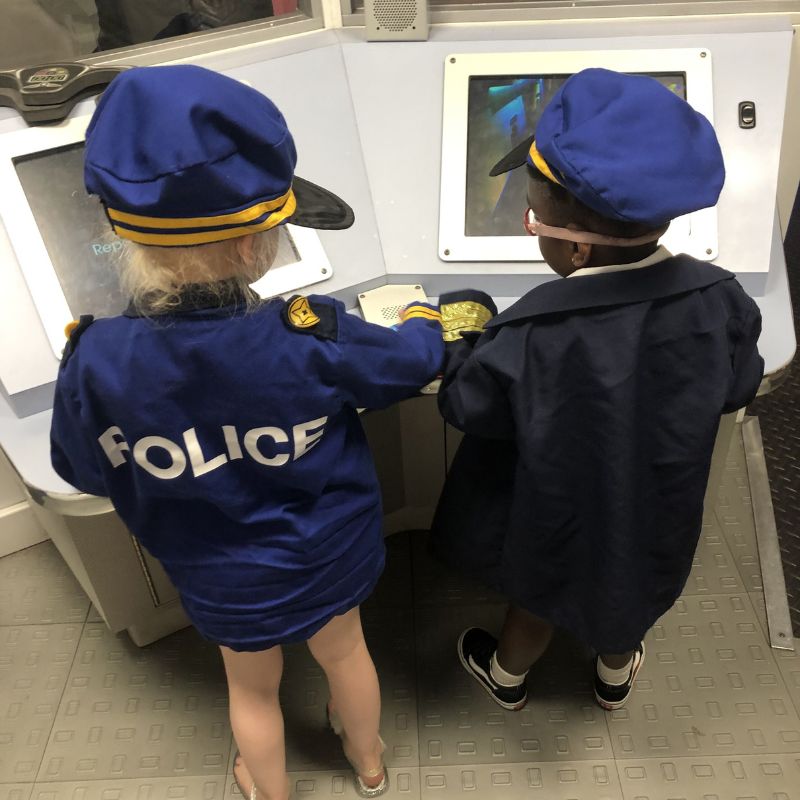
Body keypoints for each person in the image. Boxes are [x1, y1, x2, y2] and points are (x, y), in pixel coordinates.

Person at [49, 65, 444, 800]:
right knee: (348, 655)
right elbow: (409, 366)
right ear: (253, 247)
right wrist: (424, 319)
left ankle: (271, 790)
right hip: (327, 555)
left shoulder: (96, 362)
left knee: (253, 692)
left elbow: (78, 468)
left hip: (220, 577)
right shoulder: (307, 336)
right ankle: (371, 765)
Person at [430, 68, 764, 713]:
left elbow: (466, 405)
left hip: (553, 513)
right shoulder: (724, 302)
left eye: (534, 220)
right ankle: (614, 678)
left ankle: (507, 678)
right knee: (631, 594)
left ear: (576, 251)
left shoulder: (532, 329)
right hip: (654, 510)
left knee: (537, 595)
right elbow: (739, 386)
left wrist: (463, 333)